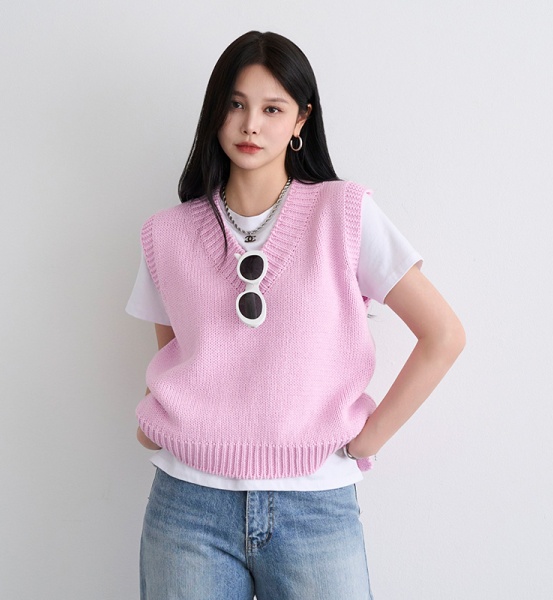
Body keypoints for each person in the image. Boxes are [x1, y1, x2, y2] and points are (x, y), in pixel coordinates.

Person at [126, 30, 465, 600]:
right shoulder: (167, 233)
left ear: (301, 119)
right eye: (236, 104)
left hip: (315, 505)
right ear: (215, 111)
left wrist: (367, 440)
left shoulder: (344, 213)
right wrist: (156, 423)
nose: (250, 125)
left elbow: (444, 334)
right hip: (187, 505)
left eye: (272, 108)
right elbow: (175, 355)